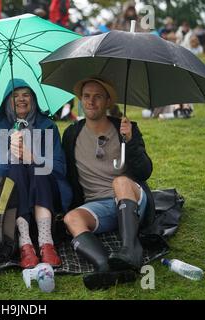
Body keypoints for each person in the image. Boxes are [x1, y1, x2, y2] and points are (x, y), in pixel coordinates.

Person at [62, 77, 155, 289]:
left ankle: (131, 249)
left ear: (107, 102)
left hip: (130, 198)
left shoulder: (124, 129)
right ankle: (105, 267)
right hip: (97, 206)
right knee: (71, 218)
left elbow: (144, 171)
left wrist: (130, 141)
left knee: (121, 181)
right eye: (86, 96)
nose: (91, 102)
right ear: (81, 100)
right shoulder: (71, 134)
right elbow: (65, 173)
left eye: (97, 97)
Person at [0, 79, 73, 269]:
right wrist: (12, 153)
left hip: (48, 191)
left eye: (26, 94)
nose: (21, 99)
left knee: (37, 166)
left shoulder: (48, 126)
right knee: (16, 167)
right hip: (14, 195)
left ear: (33, 99)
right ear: (7, 101)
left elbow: (60, 167)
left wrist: (33, 156)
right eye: (15, 96)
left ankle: (46, 241)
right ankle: (25, 242)